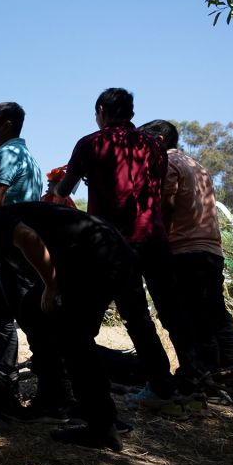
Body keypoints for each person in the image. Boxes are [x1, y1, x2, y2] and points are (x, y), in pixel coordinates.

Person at [0, 205, 151, 452]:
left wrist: (52, 286)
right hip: (112, 253)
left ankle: (100, 423)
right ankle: (74, 404)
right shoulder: (2, 242)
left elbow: (29, 238)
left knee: (73, 340)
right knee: (36, 313)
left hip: (98, 259)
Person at [50, 88, 192, 412]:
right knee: (171, 312)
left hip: (111, 243)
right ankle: (189, 382)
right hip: (154, 239)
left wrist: (67, 180)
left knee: (129, 316)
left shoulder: (91, 143)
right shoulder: (155, 147)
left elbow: (64, 188)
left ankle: (141, 387)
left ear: (101, 109)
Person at [139, 120, 233, 374]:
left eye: (144, 143)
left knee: (194, 315)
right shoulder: (196, 165)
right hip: (211, 250)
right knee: (216, 312)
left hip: (184, 250)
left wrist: (159, 240)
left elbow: (165, 204)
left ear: (159, 141)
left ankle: (203, 374)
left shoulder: (167, 163)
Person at [0, 102, 47, 394]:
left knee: (31, 320)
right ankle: (6, 372)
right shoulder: (26, 154)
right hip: (20, 248)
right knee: (0, 313)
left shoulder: (7, 153)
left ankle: (54, 392)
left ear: (6, 125)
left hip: (14, 249)